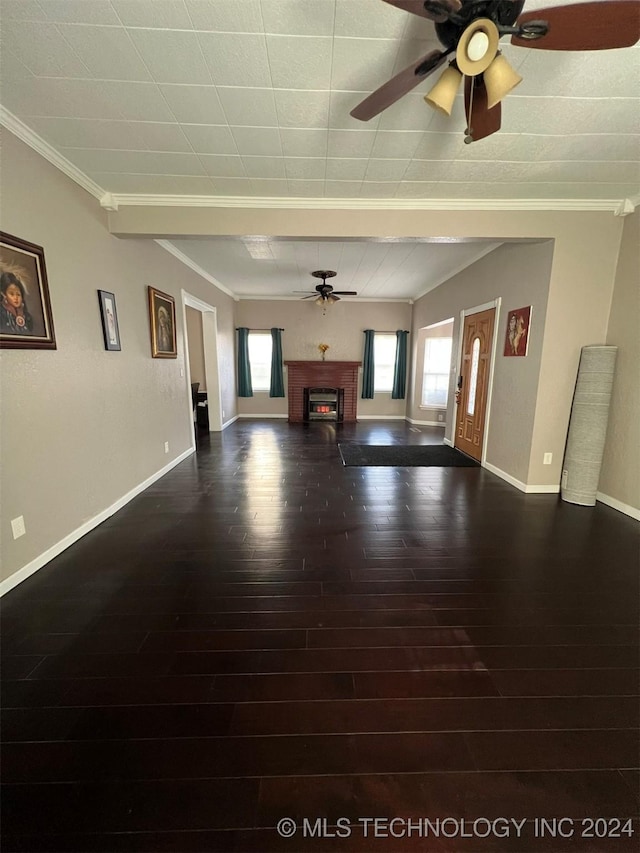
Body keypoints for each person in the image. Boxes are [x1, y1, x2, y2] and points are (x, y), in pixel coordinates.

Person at [1, 271, 34, 335]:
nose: (16, 298)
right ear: (4, 295)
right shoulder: (1, 315)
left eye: (18, 294)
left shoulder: (27, 317)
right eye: (12, 294)